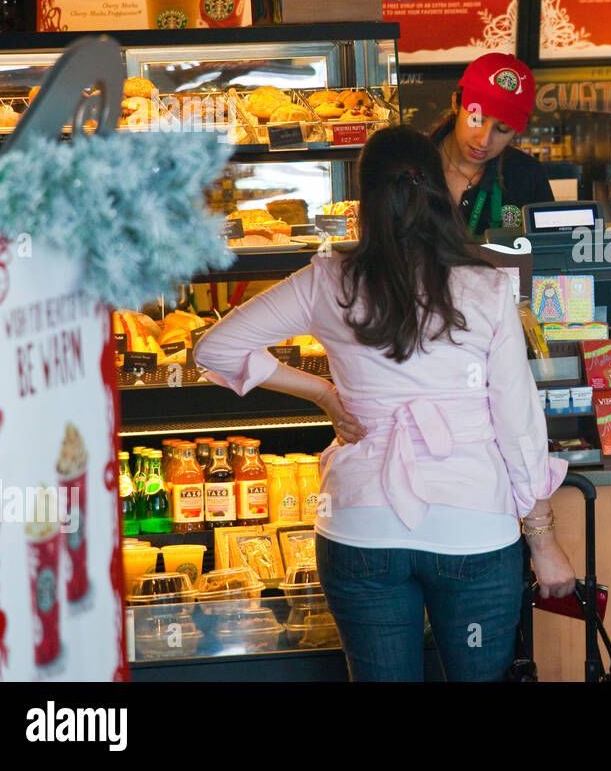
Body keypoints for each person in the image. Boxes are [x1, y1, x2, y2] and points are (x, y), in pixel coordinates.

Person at [195, 126, 576, 682]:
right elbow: (517, 424)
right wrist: (543, 540)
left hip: (361, 523)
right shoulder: (487, 289)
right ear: (440, 191)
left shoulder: (327, 281)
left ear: (365, 198)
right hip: (472, 526)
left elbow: (215, 347)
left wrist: (322, 392)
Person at [431, 52, 554, 236]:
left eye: (502, 129)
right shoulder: (410, 166)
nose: (484, 140)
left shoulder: (526, 176)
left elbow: (550, 252)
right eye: (477, 119)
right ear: (456, 103)